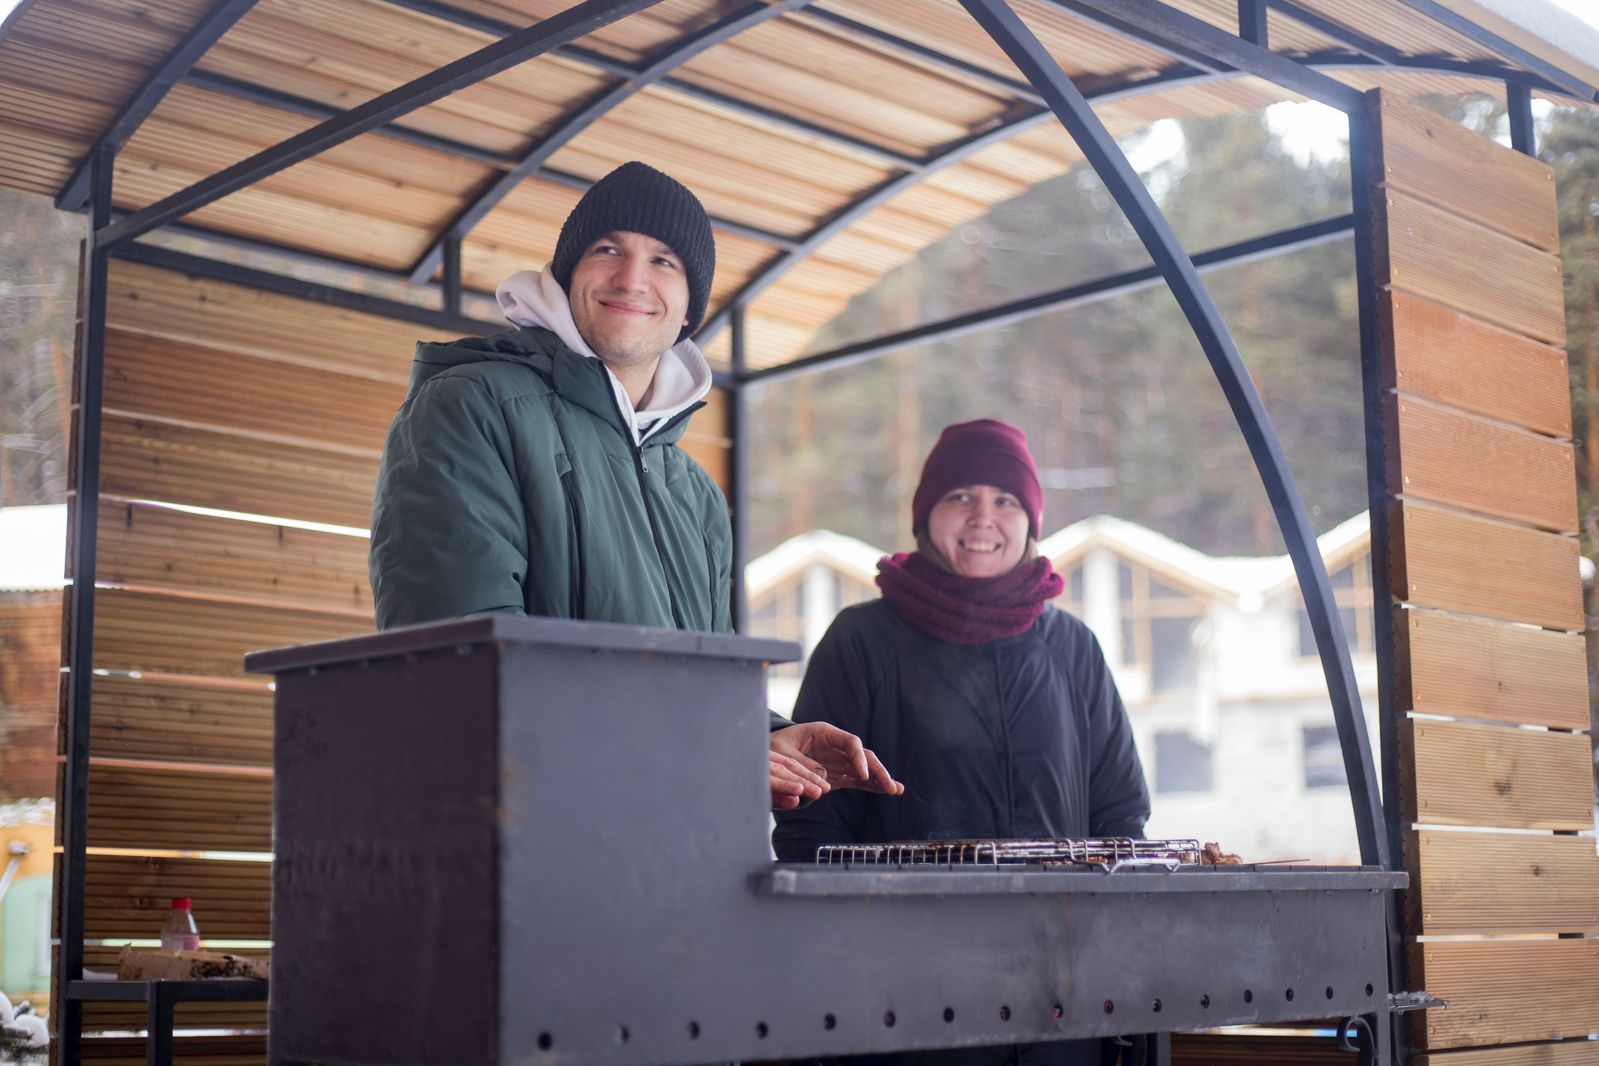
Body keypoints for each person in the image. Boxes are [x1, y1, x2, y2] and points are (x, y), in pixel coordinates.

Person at [368, 160, 901, 812]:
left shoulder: (693, 491)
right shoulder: (473, 406)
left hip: (668, 848)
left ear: (687, 307)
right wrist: (707, 745)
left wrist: (764, 735)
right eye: (607, 249)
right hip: (521, 836)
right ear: (566, 276)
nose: (631, 278)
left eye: (664, 261)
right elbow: (460, 657)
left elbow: (699, 684)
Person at [773, 419, 1150, 1066]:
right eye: (959, 496)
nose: (983, 517)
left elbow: (1118, 816)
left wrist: (1106, 968)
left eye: (1005, 501)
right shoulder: (862, 641)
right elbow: (812, 825)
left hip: (1057, 996)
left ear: (1031, 523)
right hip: (902, 1002)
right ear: (925, 516)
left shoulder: (1071, 648)